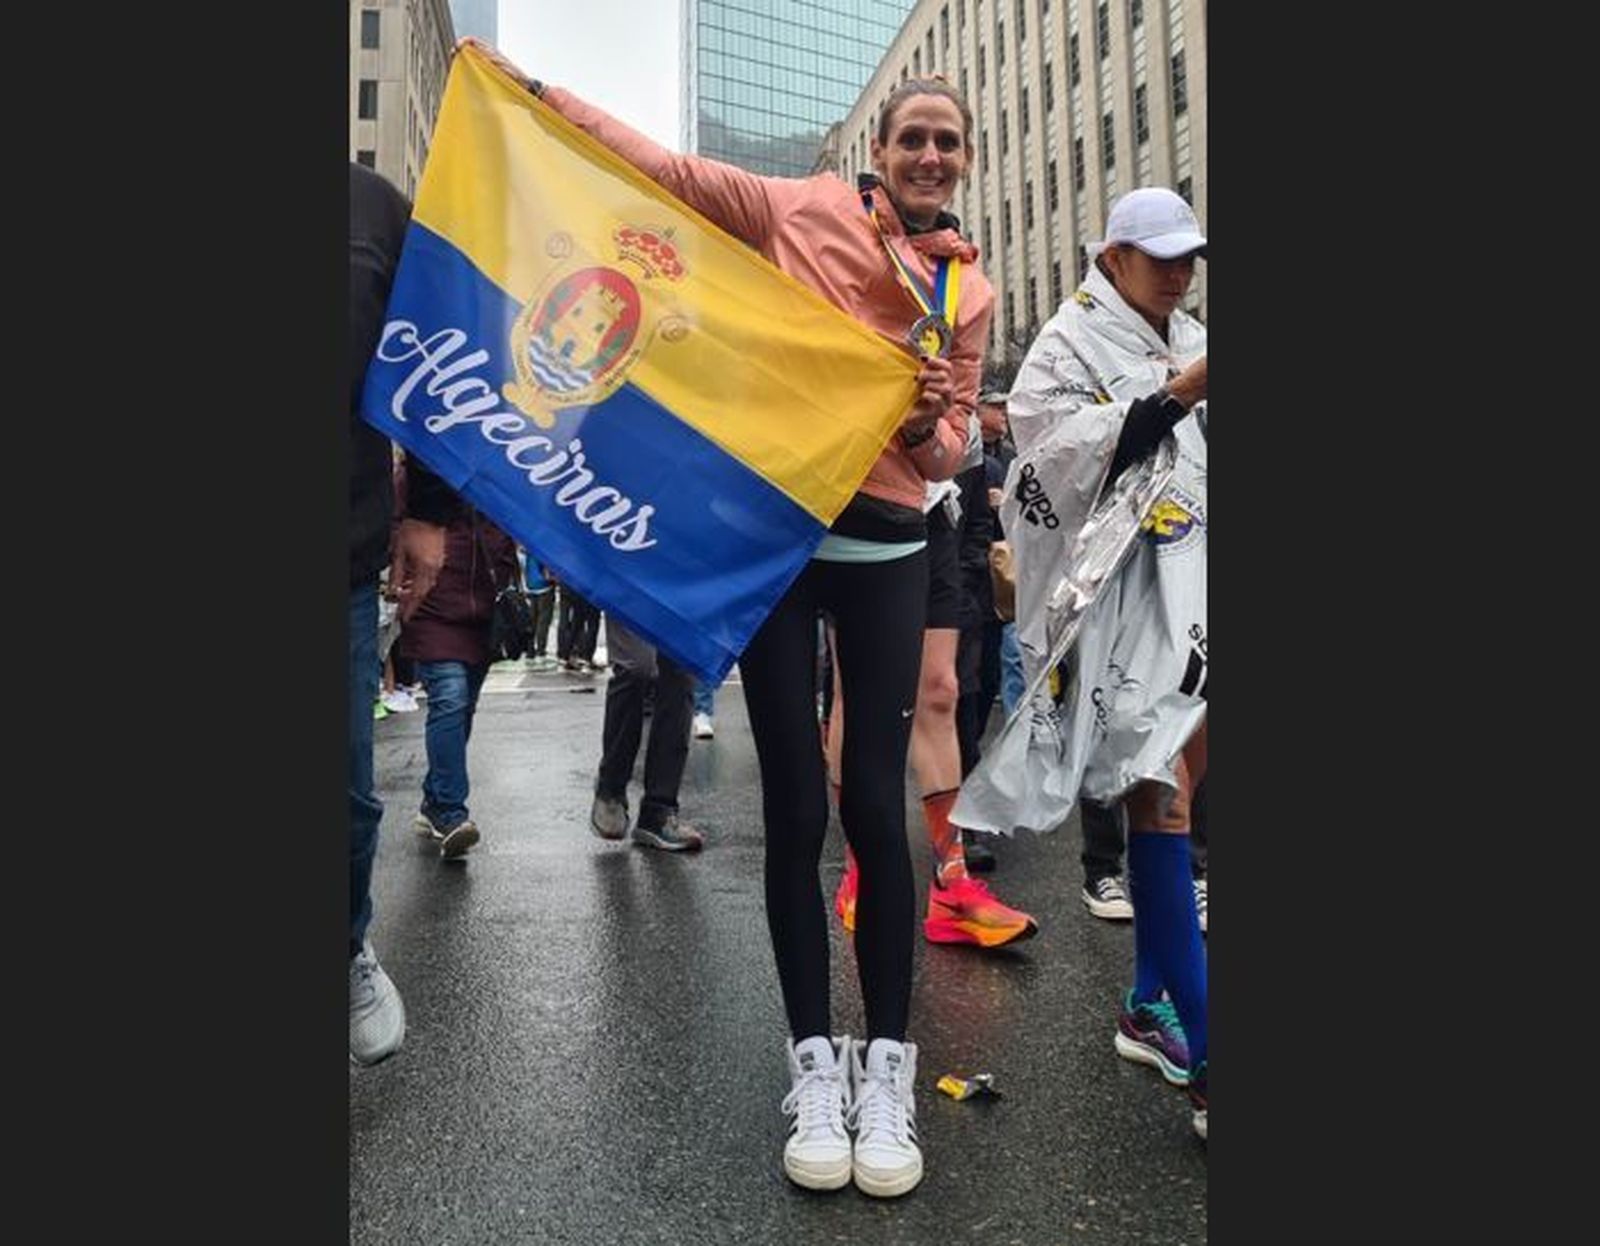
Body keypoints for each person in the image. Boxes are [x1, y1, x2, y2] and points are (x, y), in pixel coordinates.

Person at [464, 41, 993, 1196]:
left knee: (872, 803)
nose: (929, 154)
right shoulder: (797, 209)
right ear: (878, 152)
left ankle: (887, 1070)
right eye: (913, 136)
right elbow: (661, 168)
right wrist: (538, 98)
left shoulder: (966, 289)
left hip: (890, 550)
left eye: (947, 141)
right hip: (771, 536)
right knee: (795, 800)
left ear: (961, 162)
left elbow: (950, 453)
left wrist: (927, 424)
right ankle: (813, 1060)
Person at [1006, 185, 1209, 1140]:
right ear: (1111, 256)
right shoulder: (1065, 344)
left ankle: (1143, 1005)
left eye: (1188, 256)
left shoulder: (1188, 328)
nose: (1177, 272)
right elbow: (1056, 458)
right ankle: (1208, 1056)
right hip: (1115, 600)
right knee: (1157, 792)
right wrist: (1183, 390)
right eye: (1158, 254)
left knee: (1185, 791)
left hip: (1195, 589)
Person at [349, 161, 449, 1064]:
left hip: (340, 550)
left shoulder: (376, 207)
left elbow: (427, 357)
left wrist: (426, 510)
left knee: (346, 795)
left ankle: (346, 948)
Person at [398, 476, 520, 861]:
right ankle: (451, 813)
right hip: (432, 603)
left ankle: (435, 799)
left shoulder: (496, 469)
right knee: (450, 698)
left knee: (462, 708)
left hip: (484, 609)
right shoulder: (423, 472)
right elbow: (398, 520)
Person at [588, 617, 705, 851]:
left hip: (682, 583)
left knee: (681, 673)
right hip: (630, 581)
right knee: (636, 667)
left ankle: (658, 810)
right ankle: (611, 789)